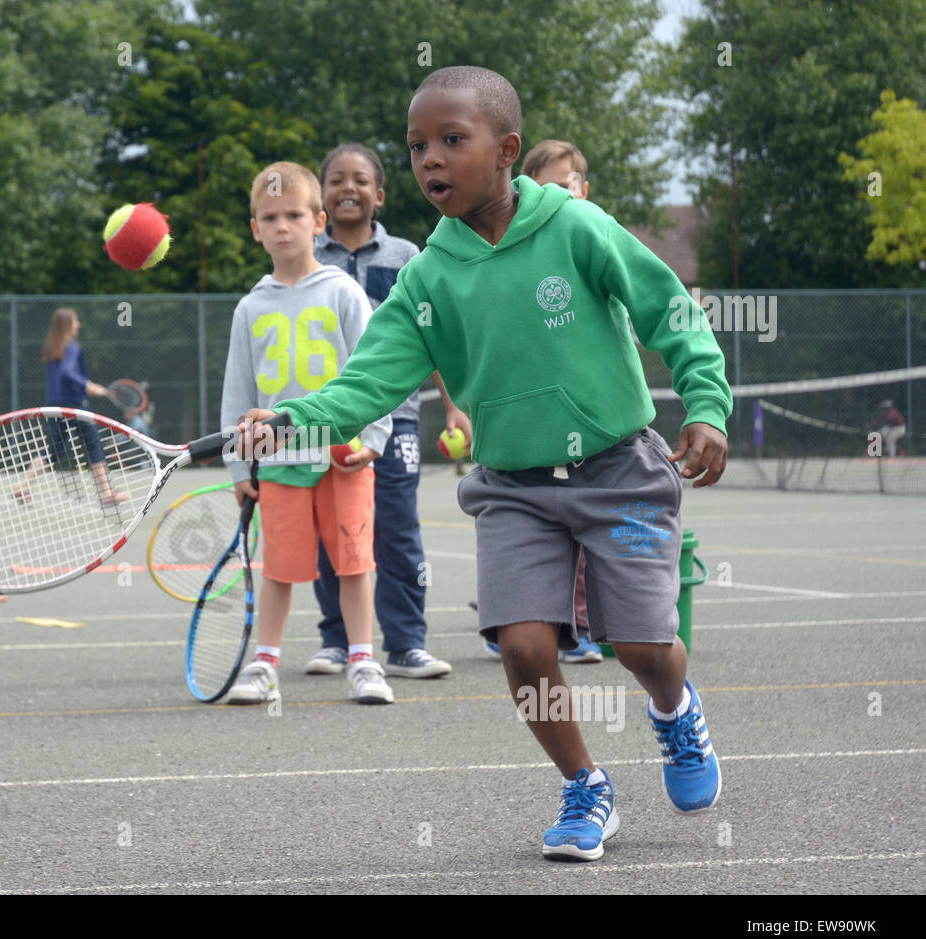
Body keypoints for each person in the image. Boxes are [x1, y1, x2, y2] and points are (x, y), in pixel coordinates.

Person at [235, 66, 731, 861]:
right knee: (525, 645)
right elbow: (367, 381)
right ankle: (585, 789)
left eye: (451, 141)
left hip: (621, 471)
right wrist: (293, 418)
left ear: (507, 150)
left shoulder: (577, 226)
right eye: (418, 146)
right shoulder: (428, 276)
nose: (430, 160)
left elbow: (669, 310)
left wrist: (706, 405)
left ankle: (674, 712)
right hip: (512, 488)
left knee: (642, 648)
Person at [221, 160, 395, 706]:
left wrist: (375, 437)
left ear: (317, 221)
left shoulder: (343, 292)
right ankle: (266, 663)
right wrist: (237, 465)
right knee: (280, 569)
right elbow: (238, 393)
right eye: (269, 216)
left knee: (354, 562)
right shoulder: (249, 307)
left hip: (343, 457)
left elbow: (374, 371)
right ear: (255, 228)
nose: (282, 226)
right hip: (280, 464)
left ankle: (363, 660)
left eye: (294, 214)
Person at [307, 142, 470, 680]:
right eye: (335, 180)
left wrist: (454, 408)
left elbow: (436, 336)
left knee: (396, 530)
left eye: (359, 179)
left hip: (395, 417)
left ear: (379, 194)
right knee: (331, 528)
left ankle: (405, 643)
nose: (347, 187)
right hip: (326, 417)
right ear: (321, 200)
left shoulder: (407, 257)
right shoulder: (307, 259)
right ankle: (337, 639)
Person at [482, 139, 603, 664]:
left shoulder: (595, 233)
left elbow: (657, 311)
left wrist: (707, 406)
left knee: (595, 558)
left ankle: (583, 623)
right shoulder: (486, 257)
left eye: (568, 183)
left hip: (603, 444)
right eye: (546, 185)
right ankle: (538, 619)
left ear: (584, 187)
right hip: (525, 450)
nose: (558, 193)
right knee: (537, 556)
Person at [14, 308, 129, 506]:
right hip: (75, 405)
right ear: (67, 324)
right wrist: (88, 386)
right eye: (75, 321)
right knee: (94, 445)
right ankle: (106, 493)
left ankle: (23, 486)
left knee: (55, 450)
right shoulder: (72, 347)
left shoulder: (53, 348)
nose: (78, 325)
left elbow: (64, 375)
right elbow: (68, 372)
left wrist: (87, 384)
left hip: (56, 404)